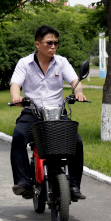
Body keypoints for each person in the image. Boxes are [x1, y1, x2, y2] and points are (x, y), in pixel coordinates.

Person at [10, 25, 87, 201]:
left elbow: (75, 80)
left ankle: (74, 185)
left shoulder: (62, 62)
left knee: (77, 142)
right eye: (49, 43)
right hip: (32, 112)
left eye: (56, 43)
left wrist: (78, 92)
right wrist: (16, 97)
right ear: (38, 44)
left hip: (57, 113)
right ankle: (23, 182)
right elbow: (15, 83)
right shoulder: (25, 63)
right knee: (18, 136)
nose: (53, 46)